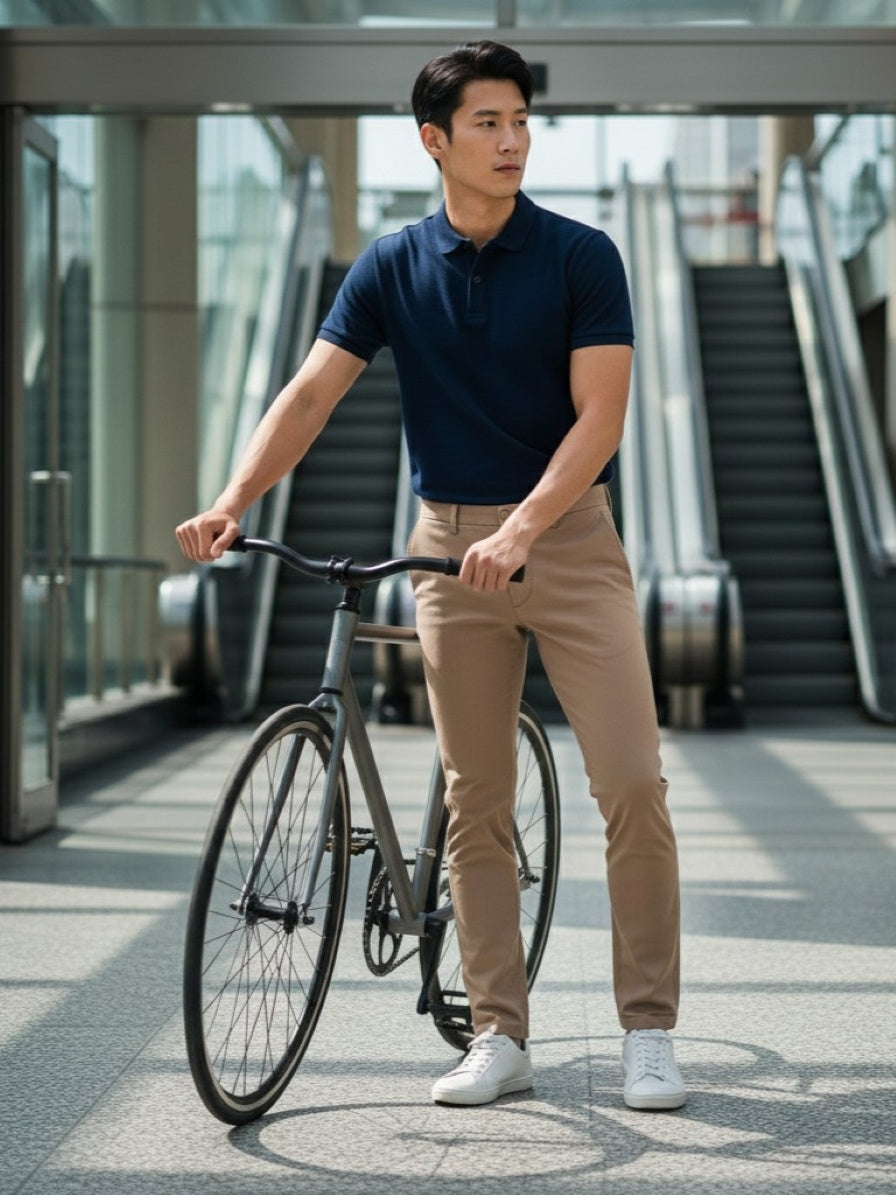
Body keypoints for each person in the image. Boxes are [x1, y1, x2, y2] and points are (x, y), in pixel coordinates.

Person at [176, 39, 685, 1113]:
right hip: (447, 543)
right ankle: (499, 1031)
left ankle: (647, 1031)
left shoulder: (581, 255)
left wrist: (526, 529)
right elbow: (310, 394)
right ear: (434, 142)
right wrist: (232, 500)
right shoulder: (391, 264)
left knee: (632, 780)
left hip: (570, 538)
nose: (510, 141)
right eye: (487, 124)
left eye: (519, 122)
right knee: (474, 798)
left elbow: (600, 417)